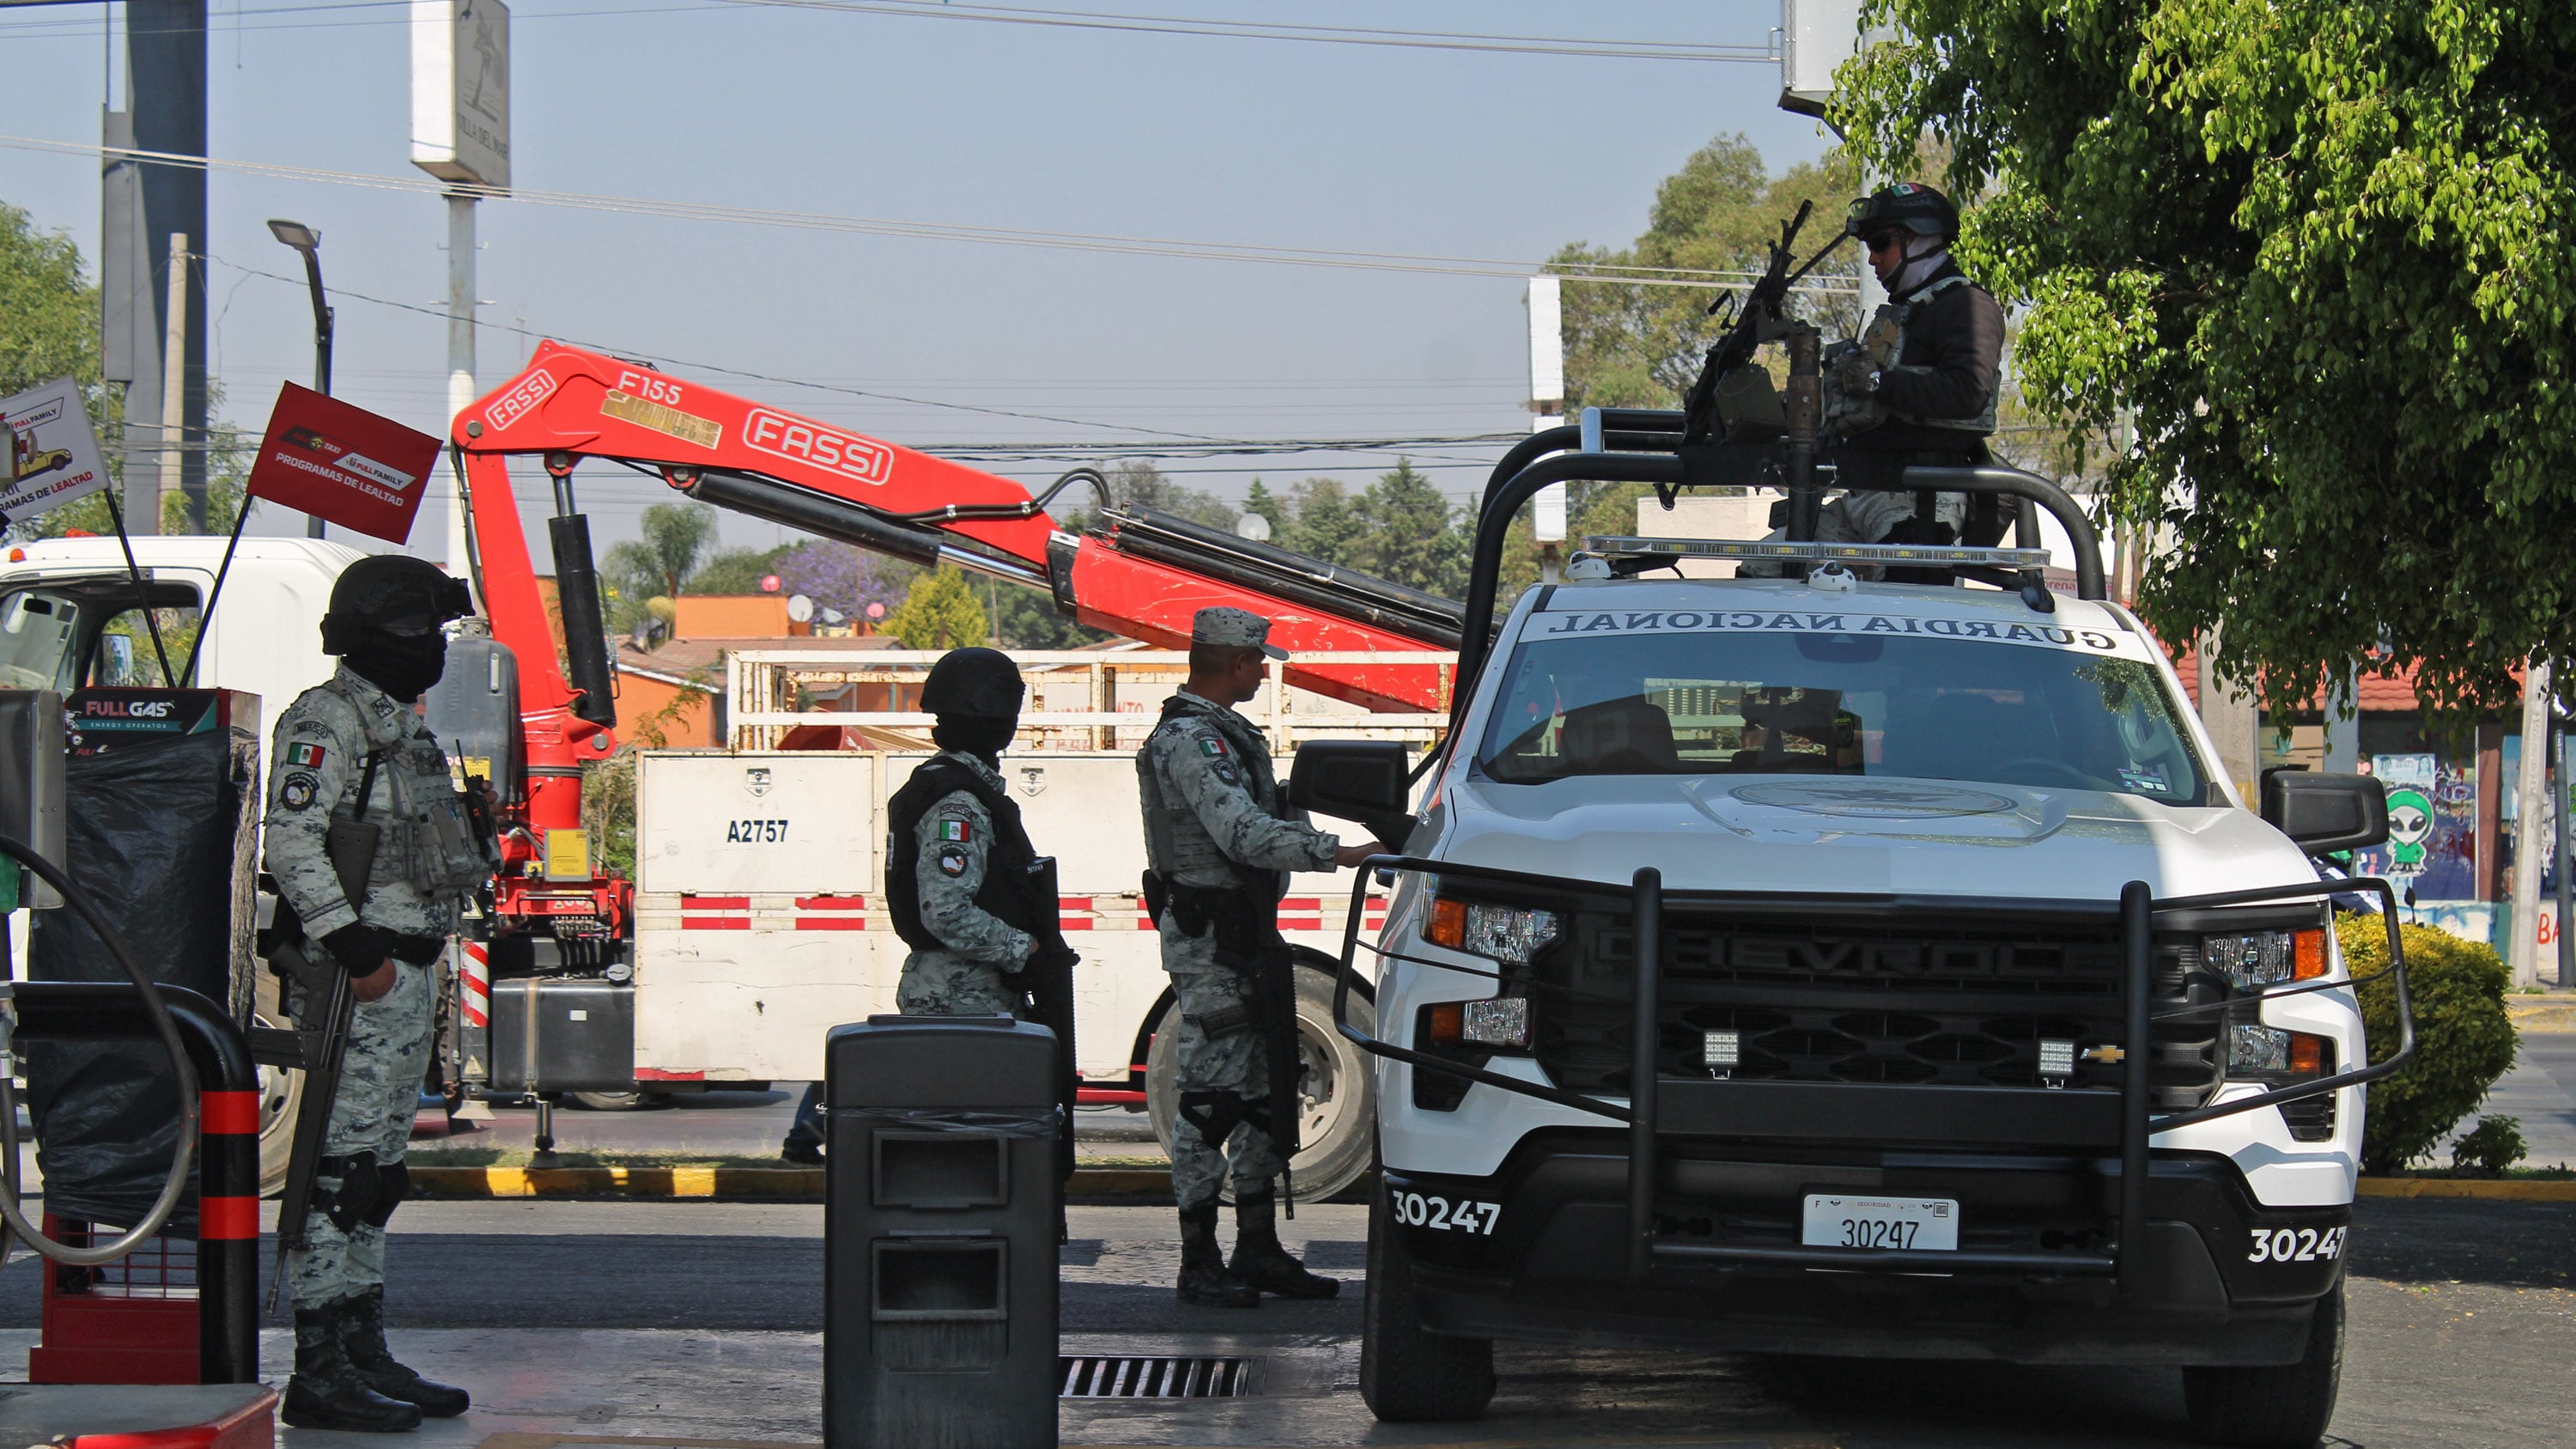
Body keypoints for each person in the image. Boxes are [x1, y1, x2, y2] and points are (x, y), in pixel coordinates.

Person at [265, 554, 488, 1433]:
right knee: (341, 1173)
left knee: (376, 1175)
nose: (430, 648)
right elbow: (292, 840)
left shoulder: (402, 725)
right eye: (419, 632)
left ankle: (362, 1349)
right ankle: (317, 1370)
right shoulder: (329, 719)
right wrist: (360, 955)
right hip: (364, 979)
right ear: (373, 636)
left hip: (404, 977)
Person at [1138, 607, 1382, 1307]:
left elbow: (1267, 818)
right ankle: (1197, 1259)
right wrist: (1343, 852)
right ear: (1237, 664)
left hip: (1246, 935)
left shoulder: (1225, 735)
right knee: (1211, 1100)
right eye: (1258, 662)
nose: (1263, 671)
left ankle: (1257, 1248)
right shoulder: (1188, 739)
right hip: (1212, 942)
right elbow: (1242, 834)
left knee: (1259, 1093)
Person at [782, 647, 1063, 1161]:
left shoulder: (956, 787)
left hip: (966, 997)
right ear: (997, 718)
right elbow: (946, 911)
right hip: (963, 1000)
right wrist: (1029, 947)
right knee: (969, 1159)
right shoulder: (958, 801)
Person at [1769, 181, 2008, 563]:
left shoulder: (1965, 305)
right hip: (1866, 491)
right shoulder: (1901, 314)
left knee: (1895, 603)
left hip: (1919, 498)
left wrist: (1878, 382)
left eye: (1880, 244)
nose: (1872, 260)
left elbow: (1968, 391)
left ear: (1918, 239)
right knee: (1766, 565)